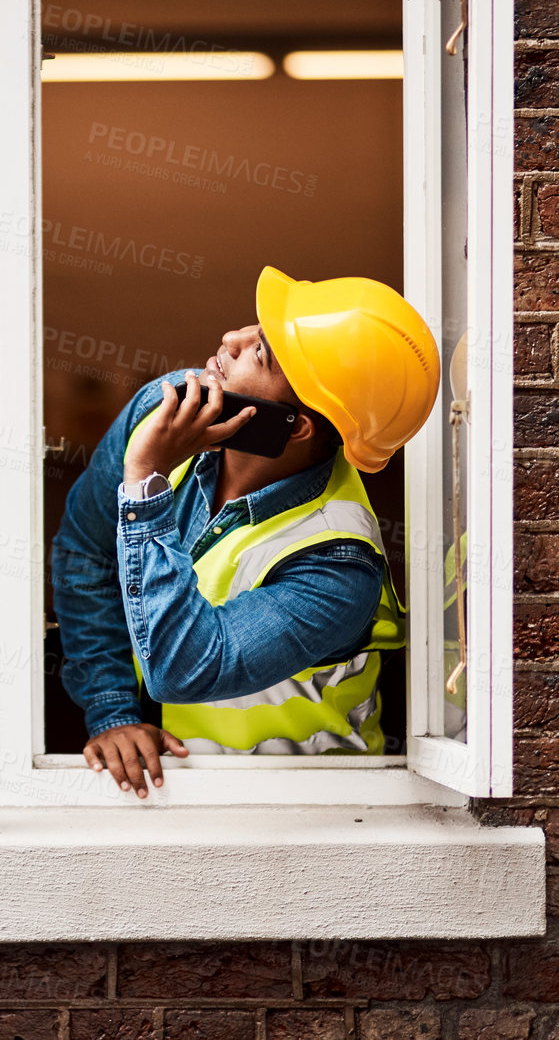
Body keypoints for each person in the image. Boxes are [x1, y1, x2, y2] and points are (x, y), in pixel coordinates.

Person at [50, 266, 440, 797]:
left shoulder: (339, 564)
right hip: (187, 788)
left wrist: (145, 482)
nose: (230, 340)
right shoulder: (162, 412)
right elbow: (84, 551)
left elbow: (181, 667)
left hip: (315, 811)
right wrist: (112, 708)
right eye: (256, 329)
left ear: (295, 424)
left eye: (261, 354)